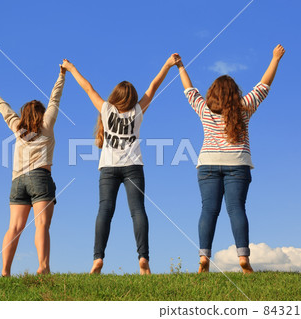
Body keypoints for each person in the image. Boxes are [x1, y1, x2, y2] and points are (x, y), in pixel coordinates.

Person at [61, 55, 179, 274]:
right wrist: (167, 65)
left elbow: (88, 88)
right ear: (133, 98)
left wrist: (70, 67)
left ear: (114, 96)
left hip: (108, 167)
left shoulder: (106, 109)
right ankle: (143, 258)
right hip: (133, 166)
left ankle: (97, 259)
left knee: (105, 210)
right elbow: (154, 86)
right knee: (137, 211)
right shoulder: (138, 111)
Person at [175, 45, 285, 273]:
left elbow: (189, 90)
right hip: (238, 165)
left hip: (207, 164)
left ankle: (204, 258)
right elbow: (264, 85)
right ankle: (243, 258)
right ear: (235, 93)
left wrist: (181, 66)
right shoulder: (245, 108)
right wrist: (275, 59)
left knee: (208, 210)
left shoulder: (205, 110)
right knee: (236, 209)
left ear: (212, 93)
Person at [0, 64, 66, 275]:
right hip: (40, 178)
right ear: (42, 113)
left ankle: (5, 270)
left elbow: (5, 110)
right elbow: (55, 98)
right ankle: (43, 267)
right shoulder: (47, 124)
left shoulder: (18, 128)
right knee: (41, 225)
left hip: (17, 182)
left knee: (14, 228)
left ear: (24, 114)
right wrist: (61, 75)